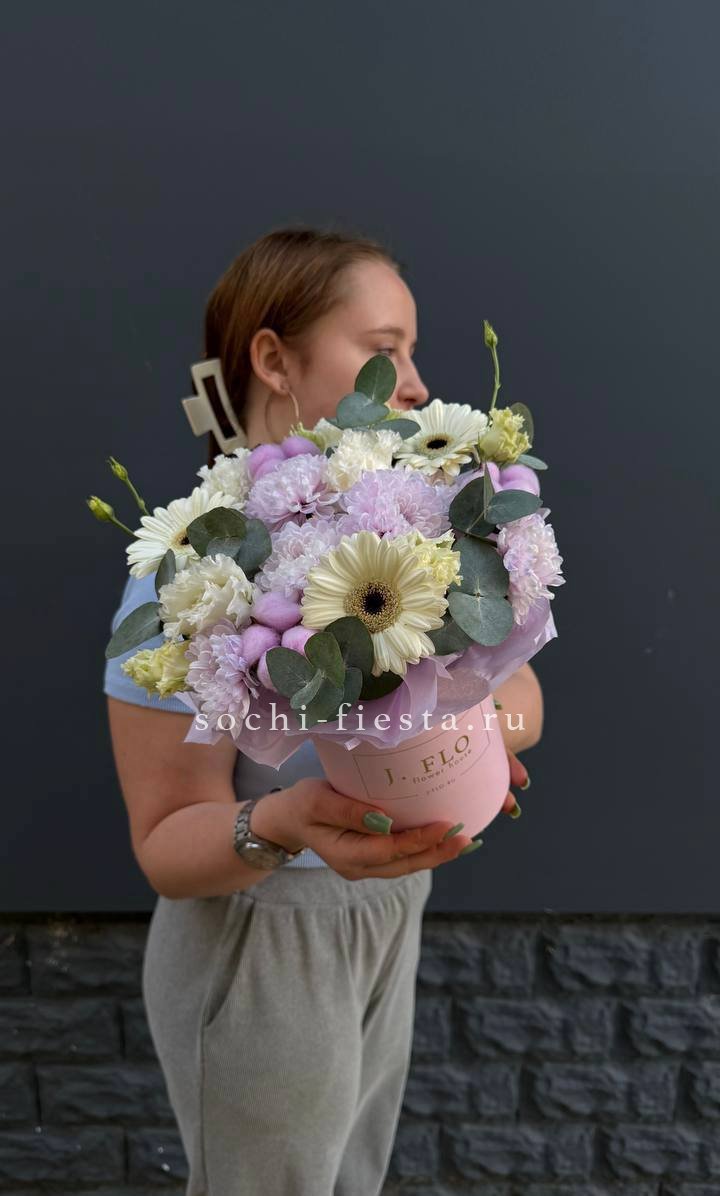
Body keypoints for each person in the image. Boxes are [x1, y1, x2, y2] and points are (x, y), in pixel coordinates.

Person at [103, 225, 543, 1196]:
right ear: (274, 359)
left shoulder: (415, 538)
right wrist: (287, 819)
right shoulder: (192, 586)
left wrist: (464, 733)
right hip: (262, 940)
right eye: (384, 350)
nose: (416, 386)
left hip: (389, 912)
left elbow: (524, 698)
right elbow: (164, 842)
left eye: (414, 353)